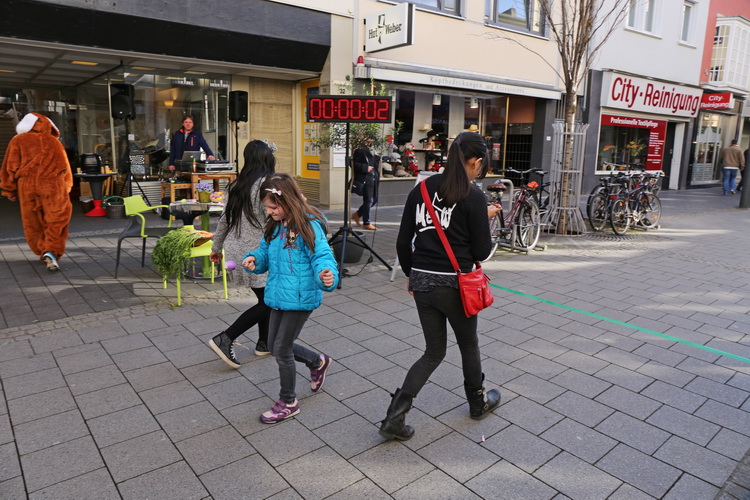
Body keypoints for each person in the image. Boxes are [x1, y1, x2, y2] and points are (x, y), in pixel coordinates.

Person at [380, 131, 501, 441]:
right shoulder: (474, 196)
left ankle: (395, 416)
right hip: (456, 284)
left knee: (434, 351)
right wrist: (482, 219)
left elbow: (403, 242)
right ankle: (477, 403)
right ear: (475, 161)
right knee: (468, 344)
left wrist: (413, 275)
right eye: (480, 165)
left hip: (422, 279)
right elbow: (480, 251)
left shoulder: (421, 189)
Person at [242, 173, 339, 424]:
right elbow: (265, 252)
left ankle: (288, 401)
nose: (269, 212)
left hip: (300, 296)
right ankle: (317, 362)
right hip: (278, 294)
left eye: (273, 207)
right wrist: (255, 259)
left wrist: (326, 275)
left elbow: (322, 256)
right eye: (267, 207)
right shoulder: (275, 225)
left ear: (288, 201)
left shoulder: (309, 224)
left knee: (282, 348)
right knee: (273, 344)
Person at [207, 140, 277, 368]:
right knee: (270, 301)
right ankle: (225, 338)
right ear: (267, 158)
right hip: (258, 253)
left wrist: (216, 248)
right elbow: (273, 218)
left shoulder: (236, 184)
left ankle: (264, 343)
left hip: (236, 251)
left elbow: (224, 221)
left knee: (264, 297)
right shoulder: (267, 185)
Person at [0, 112, 73, 272]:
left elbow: (10, 166)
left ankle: (41, 248)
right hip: (52, 184)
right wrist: (67, 187)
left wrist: (9, 189)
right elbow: (64, 166)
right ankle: (51, 249)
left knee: (32, 221)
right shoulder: (54, 142)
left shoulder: (17, 140)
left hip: (26, 185)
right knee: (58, 218)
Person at [351, 137, 379, 230]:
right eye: (369, 139)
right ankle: (366, 223)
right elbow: (353, 164)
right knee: (369, 200)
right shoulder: (359, 150)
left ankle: (357, 214)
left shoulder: (373, 150)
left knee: (374, 200)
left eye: (372, 139)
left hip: (373, 178)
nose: (371, 140)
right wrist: (365, 167)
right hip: (366, 178)